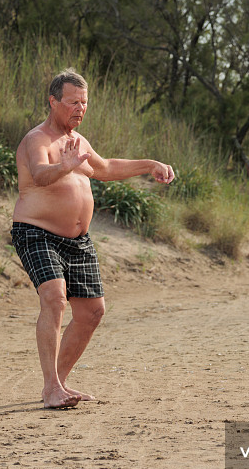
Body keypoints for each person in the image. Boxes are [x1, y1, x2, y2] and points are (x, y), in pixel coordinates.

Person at [11, 68, 174, 409]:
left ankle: (57, 383)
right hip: (37, 232)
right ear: (53, 101)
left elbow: (107, 168)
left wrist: (149, 165)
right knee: (55, 298)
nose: (80, 109)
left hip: (78, 241)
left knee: (91, 313)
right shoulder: (37, 139)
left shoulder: (79, 141)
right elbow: (40, 175)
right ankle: (52, 387)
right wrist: (66, 166)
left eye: (84, 103)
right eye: (72, 102)